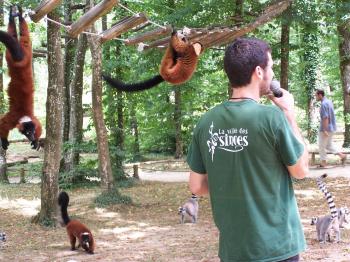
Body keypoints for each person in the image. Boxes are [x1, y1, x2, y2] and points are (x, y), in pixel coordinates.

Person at [186, 38, 309, 262]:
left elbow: (197, 186)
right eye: (270, 66)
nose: (272, 73)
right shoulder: (272, 118)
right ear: (259, 72)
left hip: (234, 251)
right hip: (277, 249)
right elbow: (300, 170)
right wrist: (290, 115)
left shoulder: (206, 123)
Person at [315, 89, 347, 167]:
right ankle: (342, 155)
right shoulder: (329, 102)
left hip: (326, 129)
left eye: (316, 95)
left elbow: (326, 118)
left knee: (321, 145)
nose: (315, 97)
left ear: (320, 95)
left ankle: (323, 162)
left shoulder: (323, 104)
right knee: (328, 145)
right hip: (332, 128)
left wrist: (325, 129)